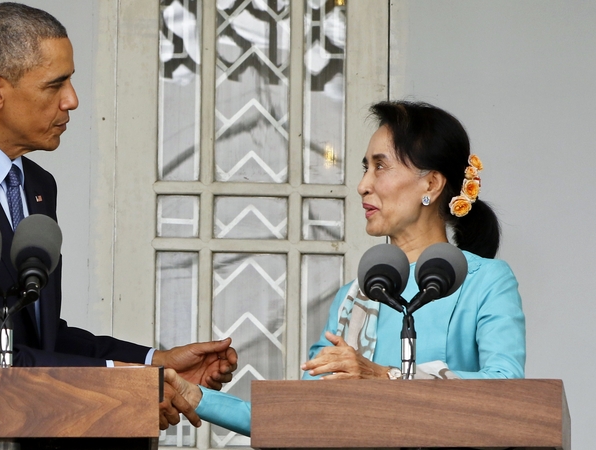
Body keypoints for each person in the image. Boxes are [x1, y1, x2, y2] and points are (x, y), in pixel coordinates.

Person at [0, 2, 236, 430]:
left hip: (37, 430)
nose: (72, 100)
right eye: (55, 84)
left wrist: (154, 360)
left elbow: (37, 336)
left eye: (71, 81)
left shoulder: (37, 184)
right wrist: (130, 382)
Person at [167, 101, 526, 436]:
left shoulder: (486, 281)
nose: (363, 185)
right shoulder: (355, 297)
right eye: (365, 168)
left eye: (380, 166)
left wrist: (385, 377)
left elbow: (506, 388)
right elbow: (303, 414)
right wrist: (196, 396)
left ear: (430, 183)